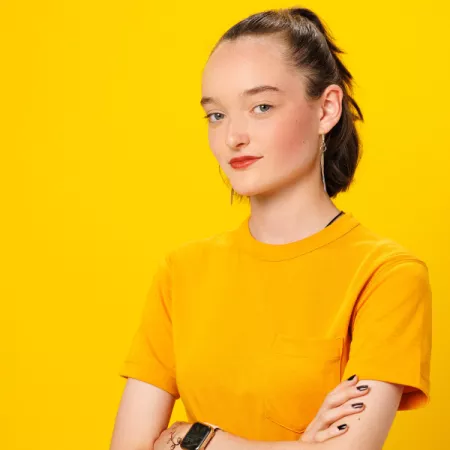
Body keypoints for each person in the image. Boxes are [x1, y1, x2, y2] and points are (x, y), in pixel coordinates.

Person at [109, 7, 432, 450]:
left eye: (261, 106)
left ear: (327, 109)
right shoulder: (181, 272)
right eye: (216, 115)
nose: (233, 137)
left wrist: (199, 440)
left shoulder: (387, 275)